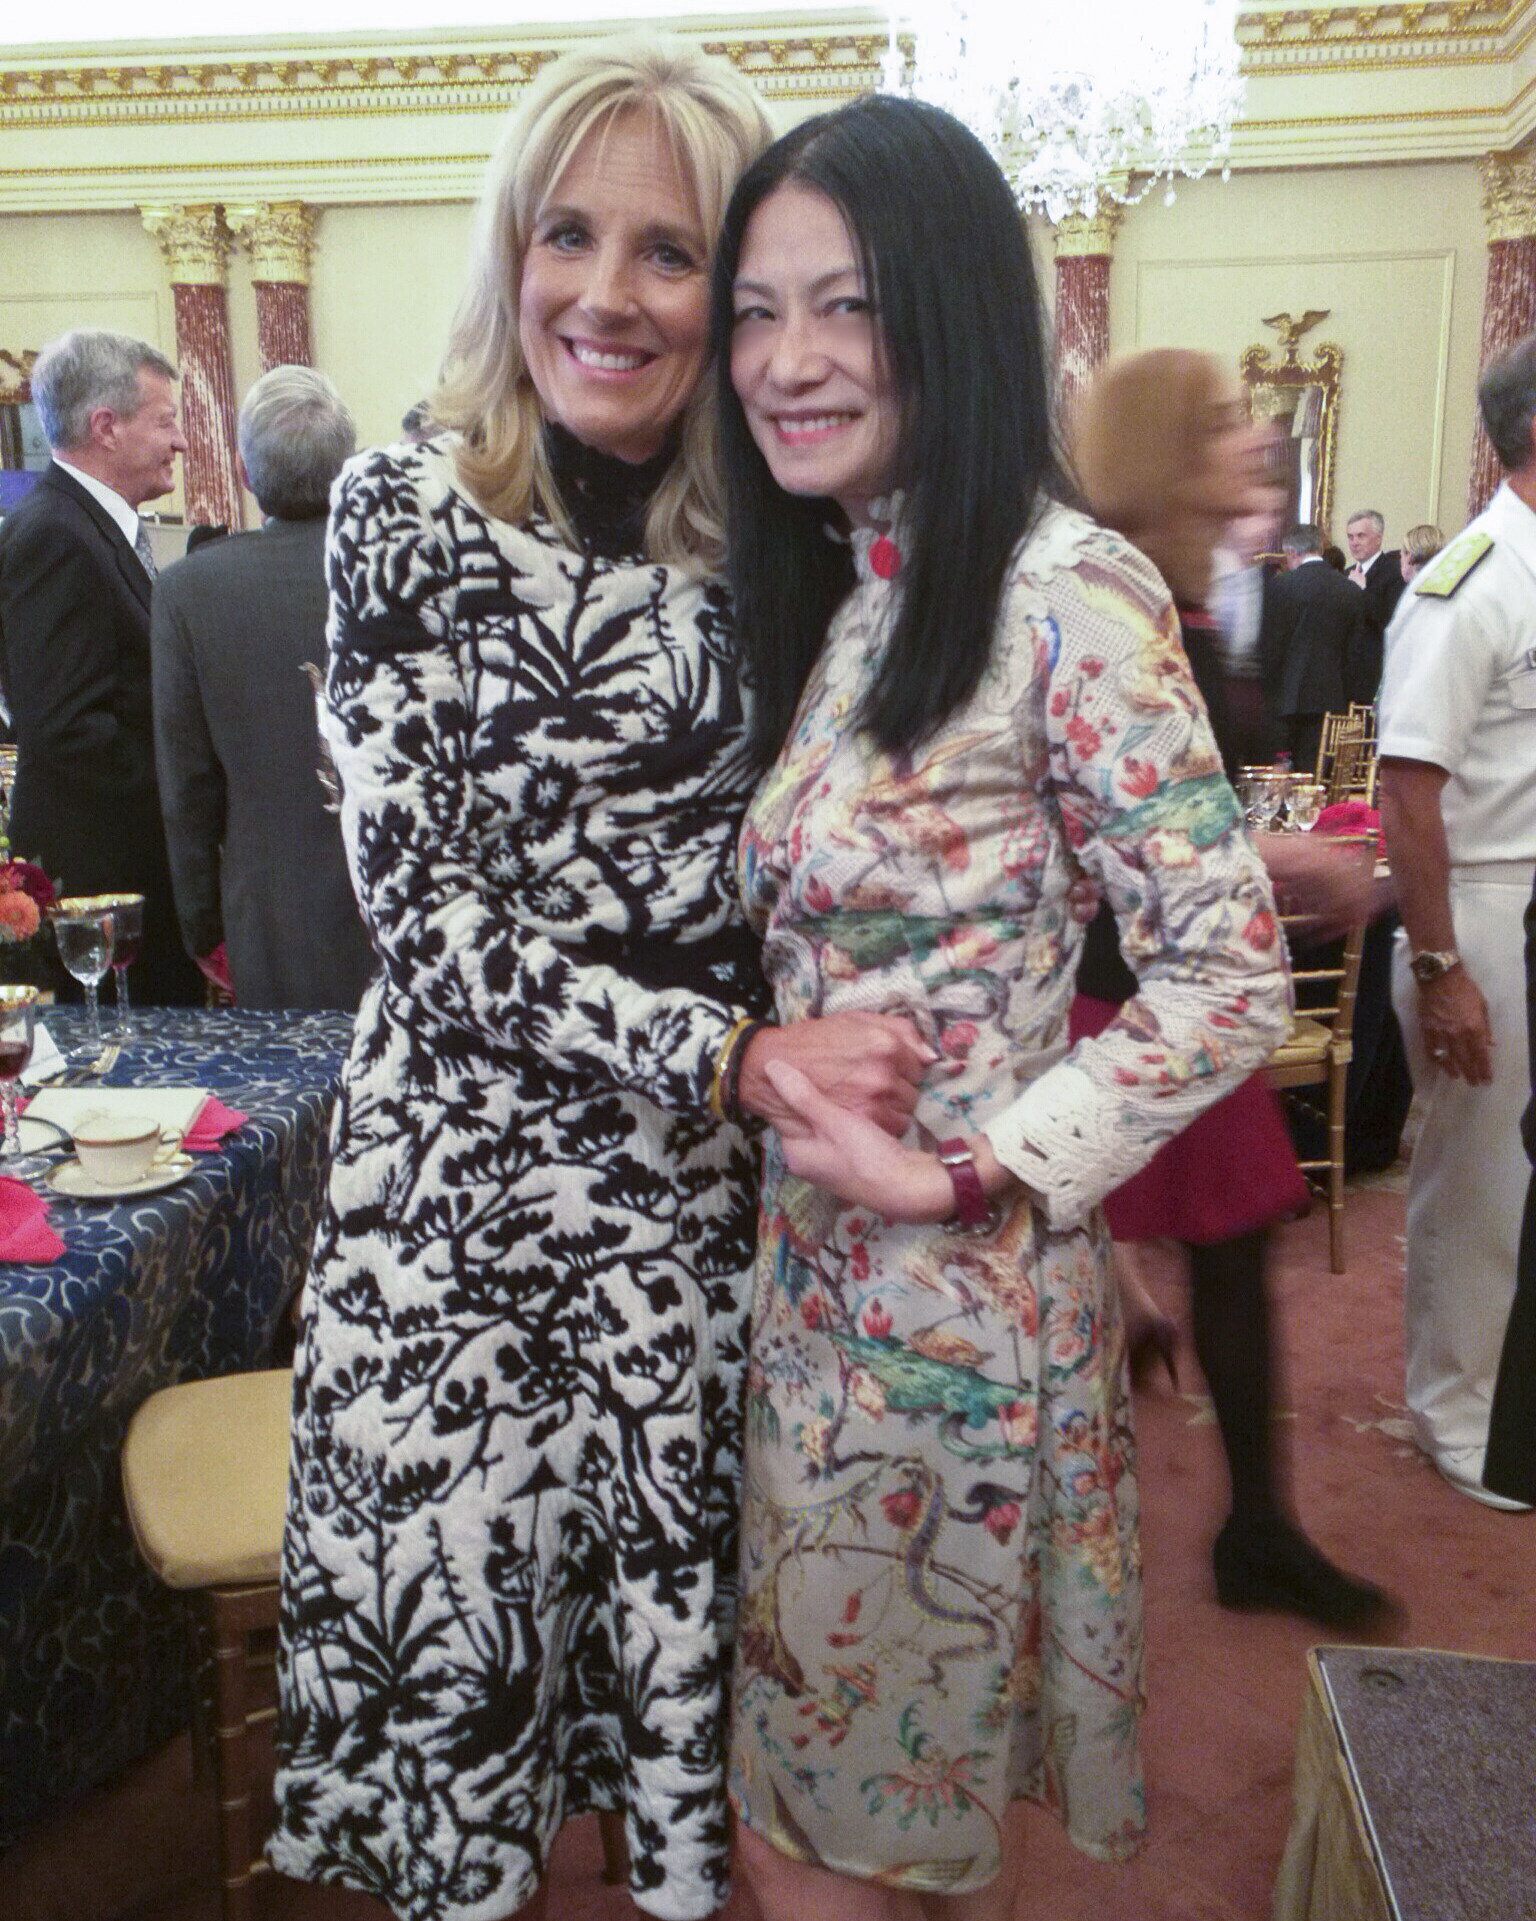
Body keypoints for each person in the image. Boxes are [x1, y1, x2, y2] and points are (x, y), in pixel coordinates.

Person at [268, 41, 930, 1921]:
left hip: (701, 1225)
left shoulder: (795, 536)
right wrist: (734, 1057)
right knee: (465, 1728)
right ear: (510, 248)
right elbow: (433, 923)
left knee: (690, 1730)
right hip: (457, 1221)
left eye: (666, 252)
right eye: (568, 234)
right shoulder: (405, 508)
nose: (605, 294)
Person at [714, 98, 1291, 1920]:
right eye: (755, 310)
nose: (784, 362)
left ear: (951, 314)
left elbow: (1227, 971)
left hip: (942, 1325)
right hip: (824, 1298)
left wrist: (971, 1174)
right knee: (871, 1812)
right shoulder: (864, 583)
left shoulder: (1066, 593)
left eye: (846, 307)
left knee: (831, 1829)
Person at [1072, 350, 1389, 1630]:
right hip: (1122, 991)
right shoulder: (1115, 598)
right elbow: (1111, 815)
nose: (1251, 436)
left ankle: (1256, 1527)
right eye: (1217, 422)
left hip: (1180, 984)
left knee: (1227, 1252)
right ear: (1161, 448)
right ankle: (1215, 1535)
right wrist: (1294, 857)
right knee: (1196, 1253)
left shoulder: (1189, 595)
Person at [1378, 329, 1536, 1512]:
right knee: (1480, 1186)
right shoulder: (1473, 578)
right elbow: (1405, 789)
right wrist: (1441, 969)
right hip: (1483, 911)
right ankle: (1456, 1416)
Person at [151, 365, 375, 1012]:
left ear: (246, 474)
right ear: (351, 463)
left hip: (271, 917)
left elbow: (186, 785)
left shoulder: (190, 590)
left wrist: (201, 925)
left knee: (290, 1106)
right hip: (415, 906)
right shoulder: (412, 568)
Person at [0, 328, 201, 1004]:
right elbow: (64, 729)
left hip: (127, 876)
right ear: (106, 427)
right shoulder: (54, 536)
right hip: (100, 895)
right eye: (167, 421)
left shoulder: (86, 526)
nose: (181, 442)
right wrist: (188, 788)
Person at [1261, 522, 1370, 772]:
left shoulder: (1281, 586)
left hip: (1284, 698)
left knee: (1279, 778)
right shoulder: (1349, 590)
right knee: (1316, 775)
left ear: (1291, 553)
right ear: (1320, 547)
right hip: (1330, 698)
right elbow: (1355, 653)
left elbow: (1271, 646)